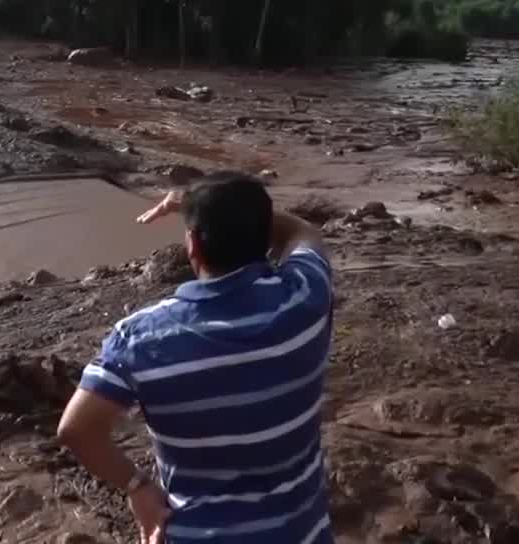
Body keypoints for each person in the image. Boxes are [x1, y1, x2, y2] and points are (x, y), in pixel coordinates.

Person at [57, 171, 334, 544]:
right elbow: (303, 232)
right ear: (264, 239)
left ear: (194, 247)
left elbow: (76, 430)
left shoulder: (142, 337)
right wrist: (225, 213)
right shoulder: (305, 297)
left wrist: (138, 486)